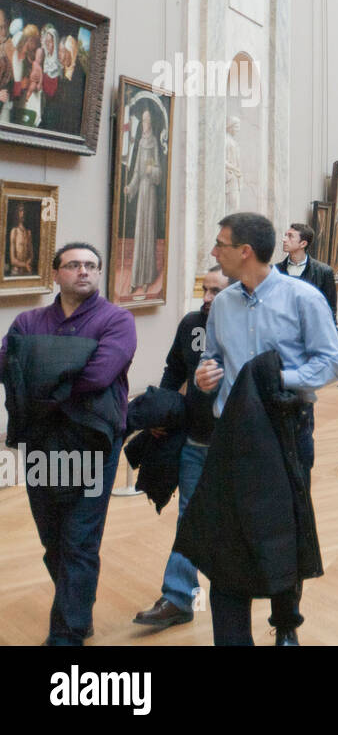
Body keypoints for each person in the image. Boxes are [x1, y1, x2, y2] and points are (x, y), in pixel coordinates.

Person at [193, 212, 338, 645]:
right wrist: (208, 373)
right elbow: (213, 355)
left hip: (285, 428)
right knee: (228, 530)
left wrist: (280, 379)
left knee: (285, 527)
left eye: (220, 243)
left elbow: (331, 362)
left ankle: (286, 624)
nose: (213, 251)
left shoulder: (302, 298)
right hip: (232, 433)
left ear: (244, 252)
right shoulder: (222, 303)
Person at [0, 242, 137, 645]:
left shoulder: (117, 320)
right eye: (73, 265)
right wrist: (65, 367)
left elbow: (98, 375)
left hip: (93, 442)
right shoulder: (28, 321)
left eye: (91, 266)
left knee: (79, 538)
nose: (83, 271)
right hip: (42, 442)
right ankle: (77, 609)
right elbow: (9, 368)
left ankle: (68, 632)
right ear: (56, 273)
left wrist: (41, 373)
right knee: (53, 537)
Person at [133, 266, 230, 630]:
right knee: (189, 516)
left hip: (238, 446)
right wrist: (165, 408)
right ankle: (178, 597)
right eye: (204, 290)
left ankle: (266, 603)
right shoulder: (192, 324)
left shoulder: (253, 325)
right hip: (196, 439)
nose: (206, 299)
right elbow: (175, 369)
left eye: (215, 291)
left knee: (237, 521)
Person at [125, 107, 163, 293]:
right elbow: (137, 174)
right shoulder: (140, 142)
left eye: (147, 121)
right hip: (141, 194)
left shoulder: (154, 142)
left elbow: (158, 172)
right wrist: (130, 187)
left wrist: (152, 171)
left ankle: (147, 277)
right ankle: (135, 279)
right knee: (140, 233)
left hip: (151, 194)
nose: (145, 124)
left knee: (148, 233)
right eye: (143, 121)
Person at [277, 223, 338, 327]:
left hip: (311, 329)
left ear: (303, 243)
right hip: (282, 330)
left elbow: (329, 309)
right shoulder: (276, 270)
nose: (284, 239)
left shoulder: (324, 272)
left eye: (290, 236)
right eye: (285, 235)